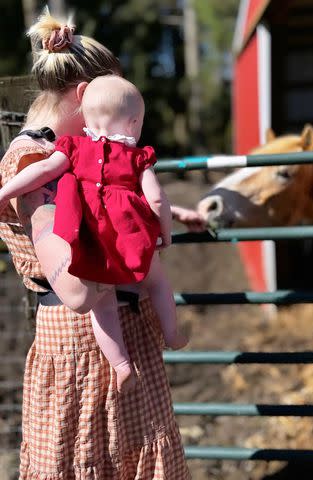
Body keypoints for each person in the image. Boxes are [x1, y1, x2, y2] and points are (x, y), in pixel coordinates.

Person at [0, 8, 193, 479]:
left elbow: (108, 198)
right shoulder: (32, 162)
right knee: (92, 462)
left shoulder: (75, 157)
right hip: (84, 343)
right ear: (86, 95)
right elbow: (74, 283)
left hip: (119, 335)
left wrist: (168, 214)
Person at [0, 74, 188, 392]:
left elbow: (41, 172)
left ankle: (120, 364)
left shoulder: (73, 148)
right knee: (157, 282)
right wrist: (165, 234)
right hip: (129, 240)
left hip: (92, 244)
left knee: (103, 306)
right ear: (133, 123)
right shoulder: (139, 158)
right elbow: (156, 199)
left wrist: (5, 194)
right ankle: (172, 333)